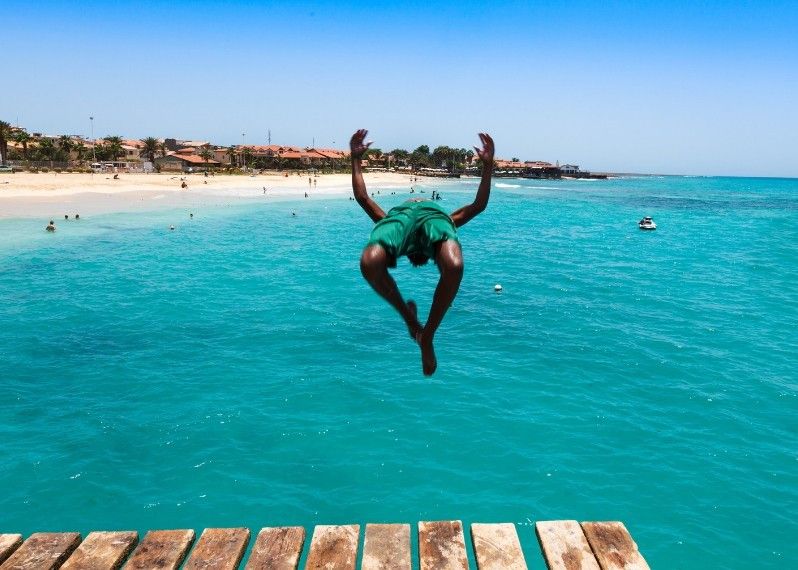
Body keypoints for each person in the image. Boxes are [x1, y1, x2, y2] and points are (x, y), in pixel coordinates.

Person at [351, 128, 494, 376]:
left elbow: (363, 197)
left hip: (403, 220)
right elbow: (478, 205)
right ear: (427, 252)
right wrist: (488, 166)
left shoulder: (393, 221)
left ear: (407, 250)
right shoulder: (444, 219)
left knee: (369, 261)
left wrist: (354, 159)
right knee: (455, 266)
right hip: (432, 220)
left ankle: (415, 325)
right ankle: (424, 332)